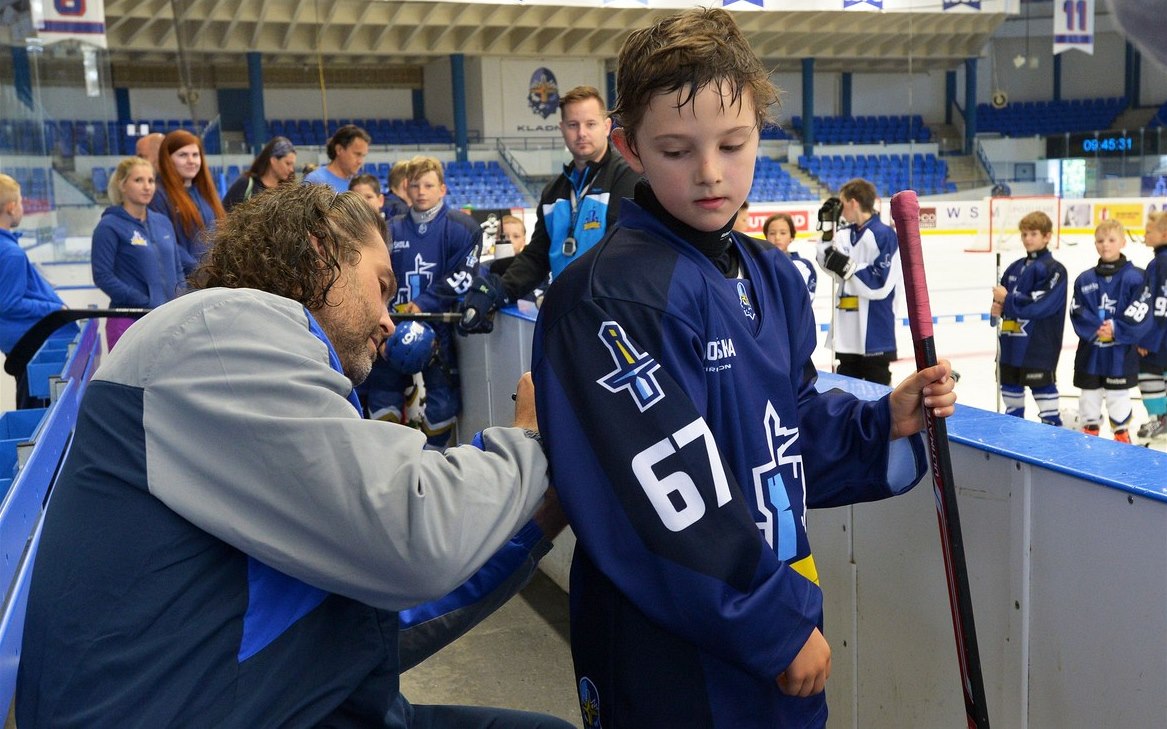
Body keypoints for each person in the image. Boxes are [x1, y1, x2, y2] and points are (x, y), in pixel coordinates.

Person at [530, 8, 956, 727]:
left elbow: (781, 432)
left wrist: (882, 421)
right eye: (675, 149)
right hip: (677, 654)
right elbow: (659, 496)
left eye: (732, 144)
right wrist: (770, 622)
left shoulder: (771, 275)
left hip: (775, 626)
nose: (709, 172)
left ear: (761, 130)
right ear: (629, 147)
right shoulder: (608, 299)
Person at [17, 182, 572, 729]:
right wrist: (524, 442)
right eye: (381, 286)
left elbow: (367, 622)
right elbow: (413, 532)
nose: (389, 320)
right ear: (319, 249)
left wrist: (536, 521)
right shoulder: (216, 331)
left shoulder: (246, 357)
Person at [459, 85, 640, 333]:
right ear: (562, 128)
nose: (582, 133)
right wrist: (500, 290)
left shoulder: (627, 177)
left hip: (613, 316)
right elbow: (537, 256)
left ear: (607, 126)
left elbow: (617, 252)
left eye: (590, 124)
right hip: (568, 316)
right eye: (573, 125)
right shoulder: (553, 191)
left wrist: (564, 293)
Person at [369, 156, 481, 447]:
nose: (421, 192)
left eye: (428, 185)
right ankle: (391, 458)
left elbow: (465, 276)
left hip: (440, 328)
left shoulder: (463, 228)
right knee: (383, 394)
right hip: (394, 326)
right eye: (415, 185)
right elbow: (374, 276)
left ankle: (432, 459)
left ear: (442, 189)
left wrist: (424, 303)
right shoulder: (388, 230)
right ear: (406, 187)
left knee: (443, 402)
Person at [90, 156, 184, 349]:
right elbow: (102, 276)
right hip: (129, 321)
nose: (147, 187)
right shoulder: (108, 226)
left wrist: (181, 300)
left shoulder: (163, 222)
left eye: (151, 180)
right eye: (138, 180)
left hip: (168, 319)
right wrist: (144, 302)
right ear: (122, 185)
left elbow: (177, 268)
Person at [0, 173, 77, 408]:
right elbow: (8, 303)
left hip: (23, 344)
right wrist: (55, 308)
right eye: (21, 202)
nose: (22, 208)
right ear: (11, 207)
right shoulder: (10, 252)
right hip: (32, 343)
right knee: (38, 413)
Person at [815, 178, 902, 385]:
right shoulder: (844, 234)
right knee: (846, 388)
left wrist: (849, 268)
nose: (840, 209)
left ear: (853, 202)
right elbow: (829, 265)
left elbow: (881, 283)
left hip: (875, 328)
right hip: (846, 328)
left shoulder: (885, 235)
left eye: (842, 203)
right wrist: (827, 230)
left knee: (878, 388)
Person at [989, 211, 1068, 426]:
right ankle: (1013, 441)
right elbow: (1001, 304)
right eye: (1024, 234)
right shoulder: (1014, 268)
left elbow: (1041, 305)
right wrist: (997, 309)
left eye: (1033, 234)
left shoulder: (1055, 270)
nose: (1028, 239)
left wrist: (1008, 299)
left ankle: (1053, 441)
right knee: (1012, 410)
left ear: (1047, 236)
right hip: (1010, 347)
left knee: (1048, 410)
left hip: (1038, 348)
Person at [1069, 219, 1144, 442]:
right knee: (1089, 396)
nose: (1105, 245)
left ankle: (1121, 434)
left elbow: (1141, 309)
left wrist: (1116, 329)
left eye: (1111, 240)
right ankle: (1090, 433)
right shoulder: (1085, 279)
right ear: (1095, 244)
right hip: (1090, 353)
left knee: (1118, 396)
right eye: (1100, 241)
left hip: (1121, 354)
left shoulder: (1136, 277)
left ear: (1123, 242)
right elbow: (1076, 310)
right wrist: (1098, 328)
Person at [149, 129, 226, 276]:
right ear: (167, 159)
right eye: (183, 155)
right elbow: (166, 243)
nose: (191, 161)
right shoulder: (158, 195)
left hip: (212, 277)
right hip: (186, 280)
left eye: (195, 155)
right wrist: (198, 270)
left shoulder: (207, 193)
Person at [1126, 210, 1167, 439]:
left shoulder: (1159, 263)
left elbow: (1159, 303)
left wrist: (1145, 338)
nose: (1145, 235)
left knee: (1148, 371)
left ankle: (1159, 419)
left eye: (1149, 231)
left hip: (1159, 336)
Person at [222, 136, 298, 211]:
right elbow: (222, 213)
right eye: (288, 163)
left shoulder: (288, 192)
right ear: (273, 160)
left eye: (292, 165)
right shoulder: (246, 184)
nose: (291, 169)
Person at [303, 123, 371, 193]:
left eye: (363, 156)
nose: (360, 161)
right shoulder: (316, 181)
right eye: (357, 154)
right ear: (339, 149)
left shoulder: (358, 184)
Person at [764, 212, 816, 294]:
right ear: (766, 237)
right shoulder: (759, 264)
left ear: (791, 237)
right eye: (772, 233)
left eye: (783, 233)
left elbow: (807, 297)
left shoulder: (804, 266)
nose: (777, 237)